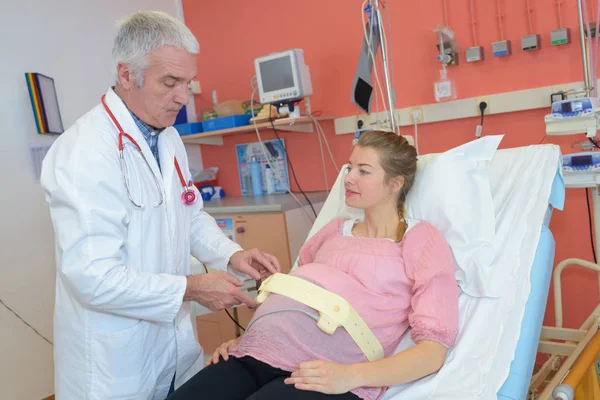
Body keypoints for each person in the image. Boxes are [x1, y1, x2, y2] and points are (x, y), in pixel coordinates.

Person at [41, 10, 280, 400]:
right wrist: (192, 287)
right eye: (170, 82)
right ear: (126, 75)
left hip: (173, 352)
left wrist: (232, 255)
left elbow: (190, 214)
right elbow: (91, 276)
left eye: (187, 82)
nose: (183, 97)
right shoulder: (83, 152)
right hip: (115, 364)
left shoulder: (167, 139)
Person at [168, 131, 460, 400]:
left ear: (395, 183)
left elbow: (432, 352)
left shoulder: (419, 239)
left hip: (323, 372)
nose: (348, 178)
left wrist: (349, 376)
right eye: (349, 168)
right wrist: (247, 339)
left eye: (363, 171)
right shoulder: (333, 231)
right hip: (254, 354)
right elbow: (294, 301)